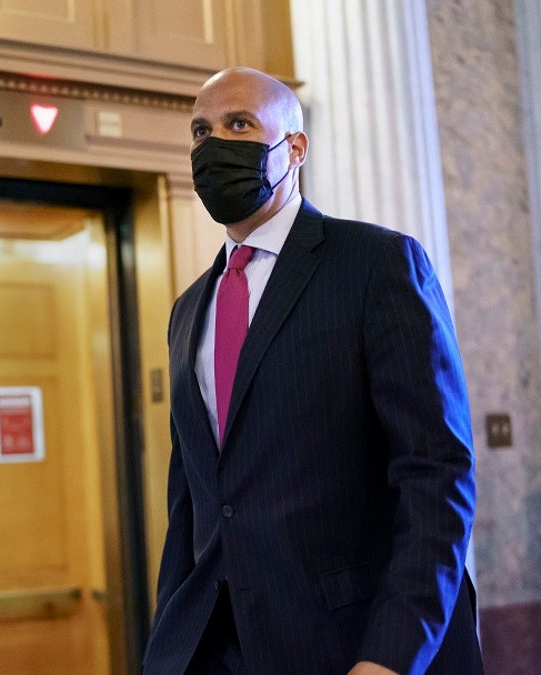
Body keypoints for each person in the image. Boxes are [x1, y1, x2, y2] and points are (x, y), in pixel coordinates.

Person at [143, 67, 482, 675]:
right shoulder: (188, 309)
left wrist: (390, 656)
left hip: (351, 643)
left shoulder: (377, 264)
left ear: (294, 147)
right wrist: (168, 645)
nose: (213, 143)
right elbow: (192, 500)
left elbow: (436, 474)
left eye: (238, 123)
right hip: (215, 649)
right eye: (200, 130)